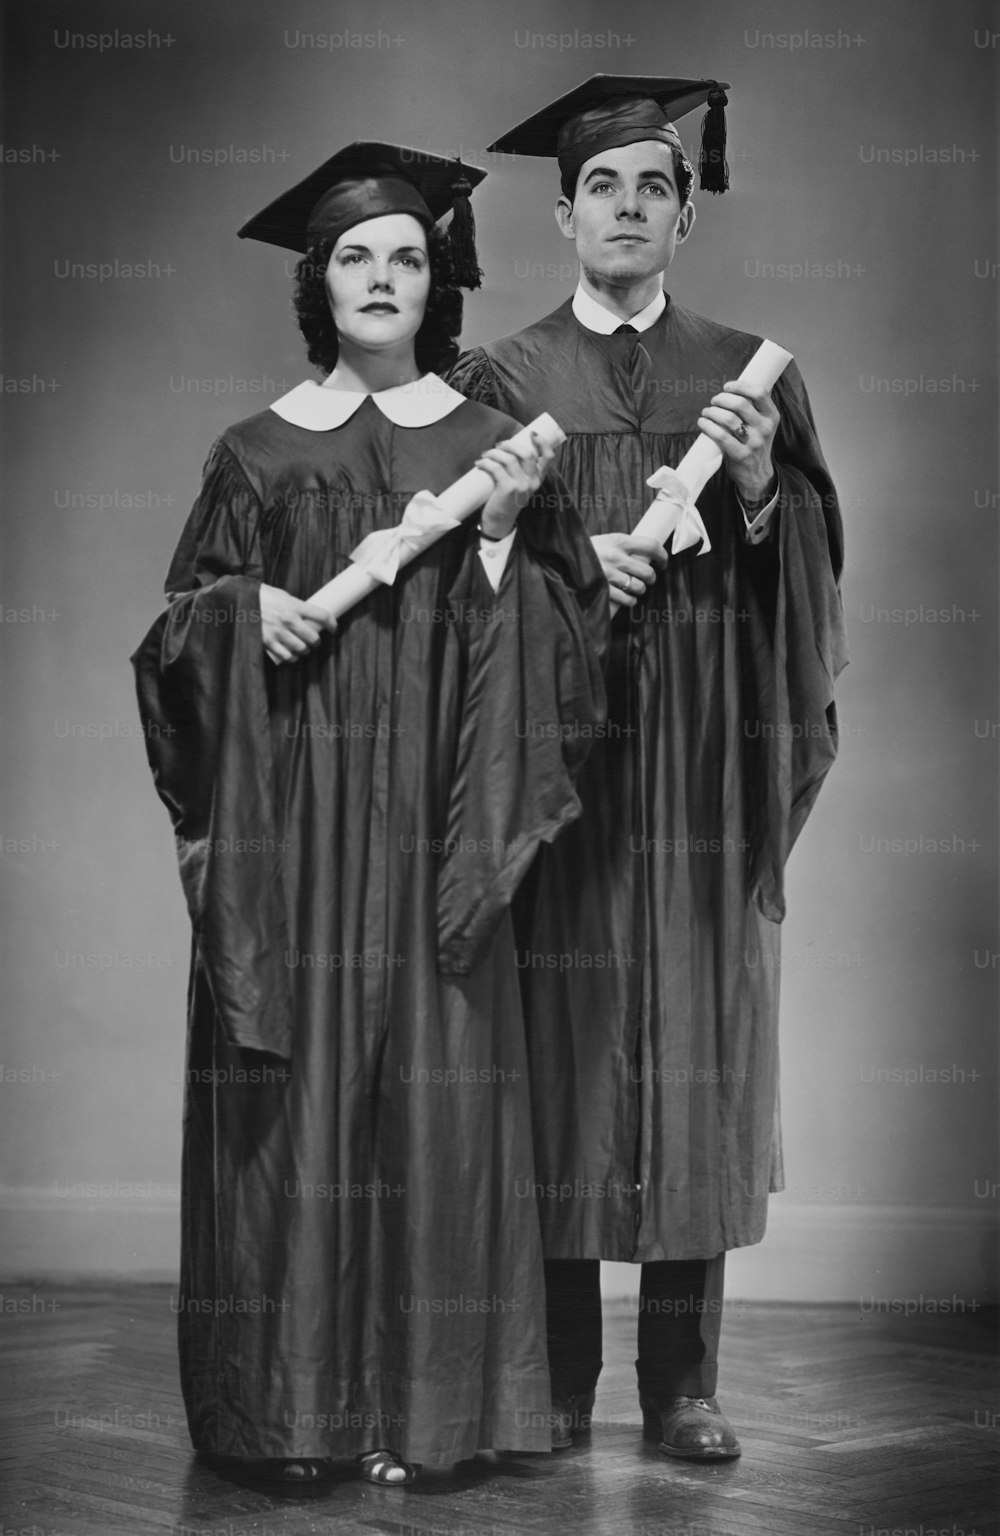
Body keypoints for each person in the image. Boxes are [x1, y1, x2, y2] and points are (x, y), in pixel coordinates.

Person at [131, 141, 607, 1486]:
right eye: (356, 256)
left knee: (439, 1099)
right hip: (294, 837)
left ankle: (432, 1413)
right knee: (294, 1104)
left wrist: (508, 539)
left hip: (439, 829)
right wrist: (240, 614)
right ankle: (293, 1419)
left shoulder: (487, 446)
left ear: (436, 280)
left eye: (407, 255)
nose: (383, 277)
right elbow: (175, 645)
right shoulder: (257, 452)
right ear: (319, 282)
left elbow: (567, 661)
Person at [448, 74, 848, 1460]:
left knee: (696, 1050)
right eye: (603, 187)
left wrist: (750, 493)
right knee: (558, 1056)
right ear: (563, 215)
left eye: (654, 187)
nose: (628, 208)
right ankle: (560, 1380)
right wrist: (560, 566)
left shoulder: (753, 371)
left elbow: (808, 583)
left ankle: (681, 1383)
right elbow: (450, 578)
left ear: (685, 215)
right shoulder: (498, 378)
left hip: (699, 763)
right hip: (563, 760)